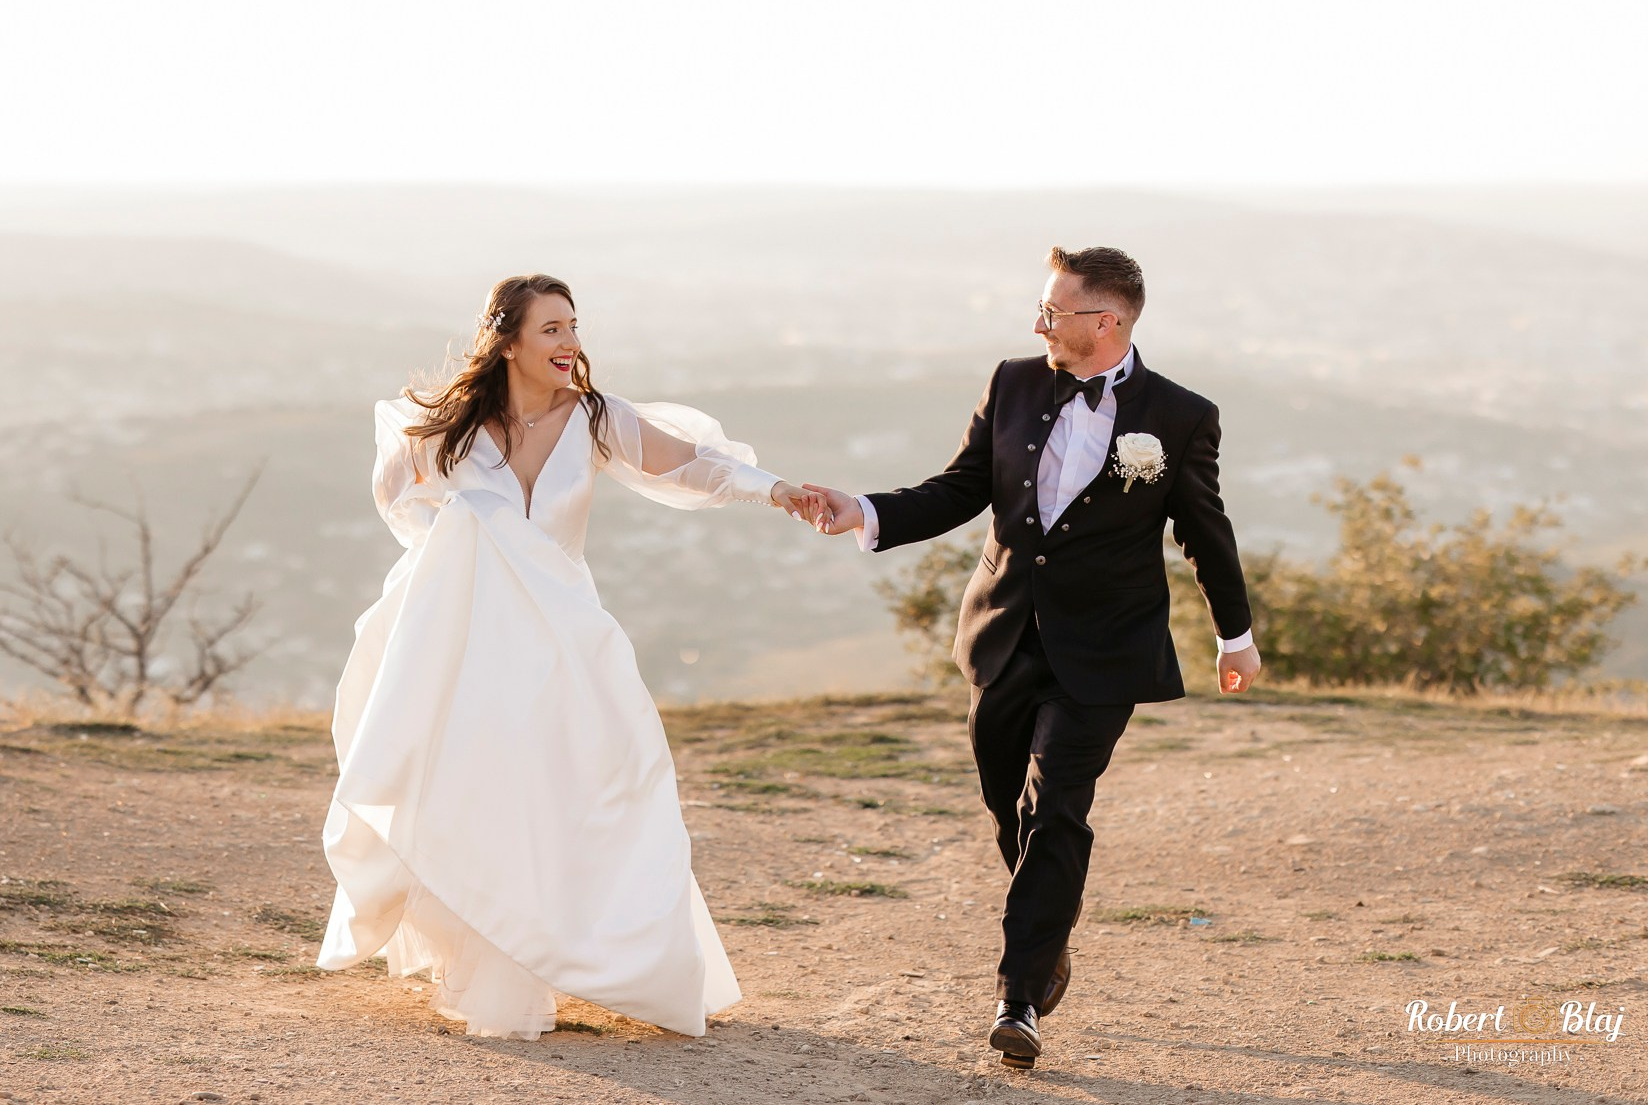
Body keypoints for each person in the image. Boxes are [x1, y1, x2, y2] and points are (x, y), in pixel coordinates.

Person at [315, 272, 822, 1040]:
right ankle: (500, 966)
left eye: (574, 327)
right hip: (474, 643)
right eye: (552, 328)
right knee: (486, 795)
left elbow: (692, 464)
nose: (571, 343)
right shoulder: (448, 425)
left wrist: (776, 488)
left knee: (604, 784)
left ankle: (613, 954)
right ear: (507, 339)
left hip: (564, 641)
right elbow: (395, 498)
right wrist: (451, 548)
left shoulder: (595, 419)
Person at [799, 245, 1260, 1070]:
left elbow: (1204, 529)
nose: (1037, 323)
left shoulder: (1183, 414)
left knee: (1056, 810)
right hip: (1004, 633)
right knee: (1007, 803)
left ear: (1106, 322)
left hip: (1105, 651)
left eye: (1053, 311)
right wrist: (861, 509)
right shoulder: (1012, 381)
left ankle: (1019, 995)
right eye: (1040, 309)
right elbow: (958, 487)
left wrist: (1236, 635)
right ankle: (1050, 926)